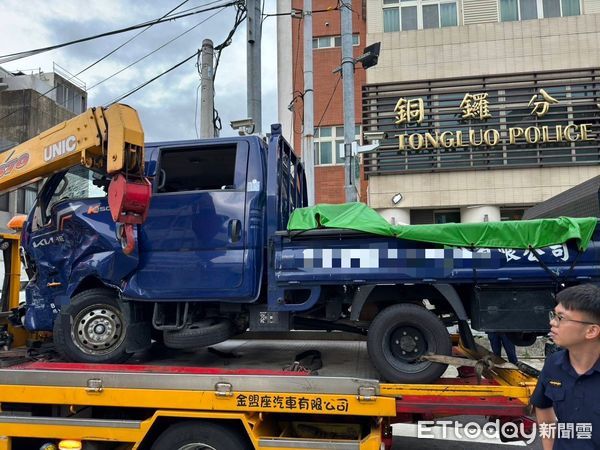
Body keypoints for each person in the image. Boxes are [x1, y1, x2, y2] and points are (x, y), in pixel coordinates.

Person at [530, 284, 600, 449]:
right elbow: (543, 407)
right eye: (554, 314)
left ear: (591, 331)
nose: (552, 322)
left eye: (561, 318)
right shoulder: (553, 364)